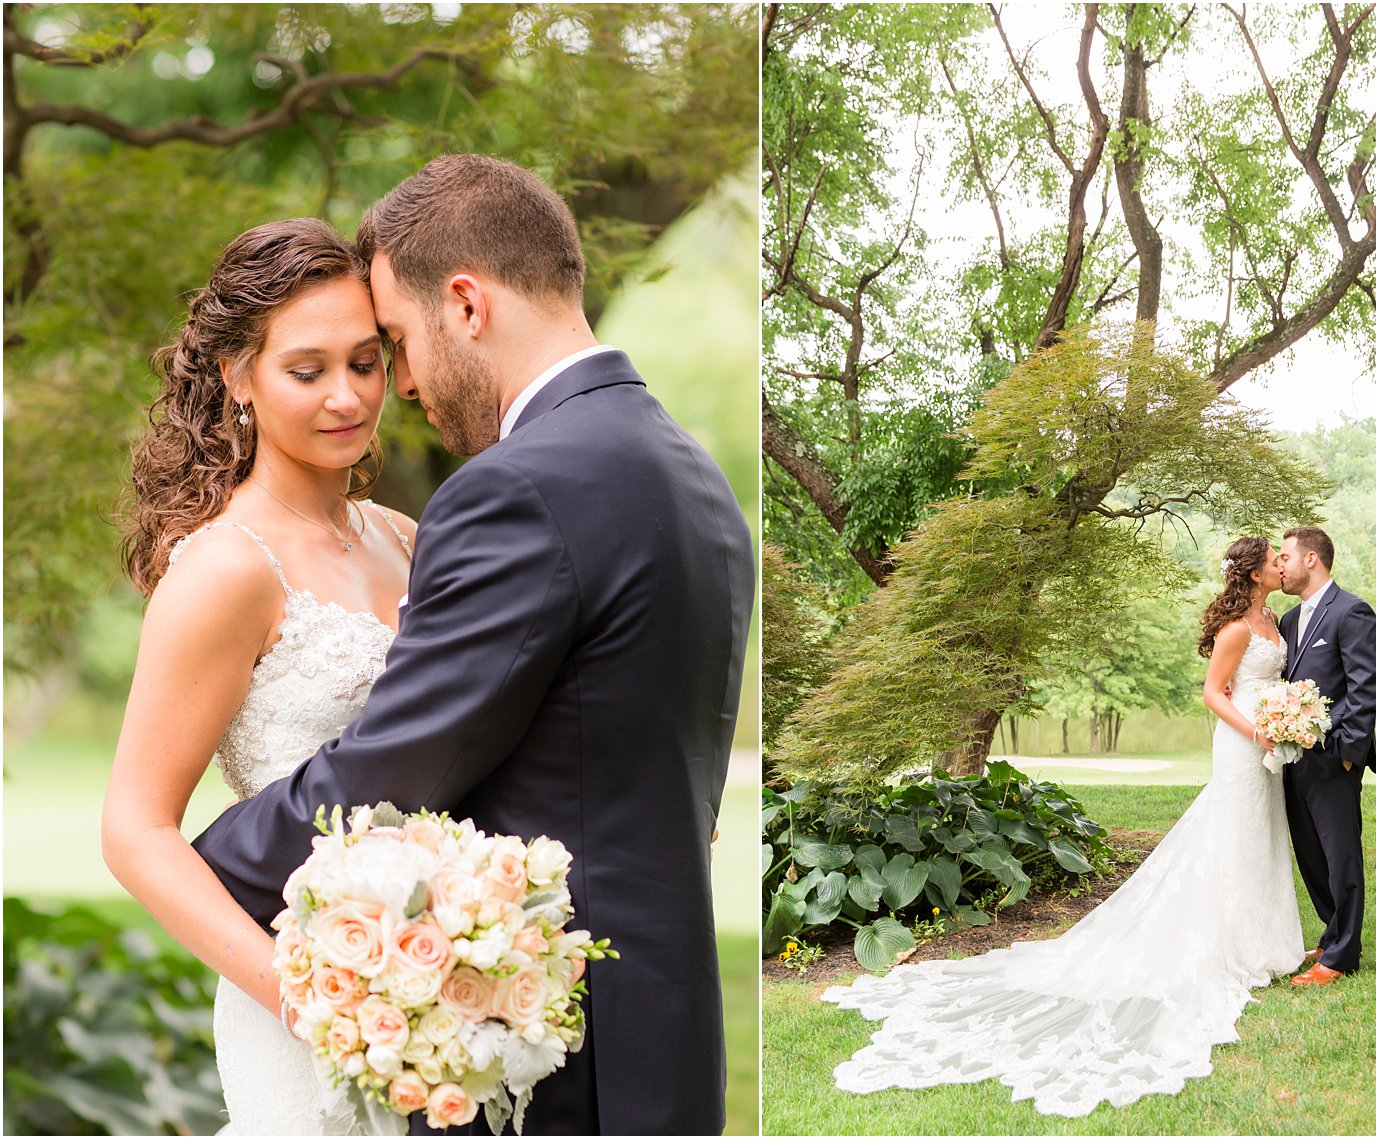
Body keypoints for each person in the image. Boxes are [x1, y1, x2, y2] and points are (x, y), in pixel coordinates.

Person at [189, 154, 754, 1136]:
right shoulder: (691, 476)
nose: (397, 385)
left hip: (543, 1059)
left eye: (393, 345)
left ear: (464, 302)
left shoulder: (517, 488)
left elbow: (392, 767)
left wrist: (195, 861)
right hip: (660, 1033)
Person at [103, 217, 418, 1133]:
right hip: (299, 992)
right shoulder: (226, 568)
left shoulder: (407, 538)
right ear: (238, 377)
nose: (348, 397)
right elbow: (135, 829)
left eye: (366, 362)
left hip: (430, 971)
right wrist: (304, 999)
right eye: (307, 370)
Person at [820, 536, 1306, 1117]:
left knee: (1261, 837)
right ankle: (1230, 946)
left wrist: (1286, 716)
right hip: (1242, 744)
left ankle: (1264, 940)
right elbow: (1212, 692)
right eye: (1274, 561)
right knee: (1233, 836)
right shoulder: (1235, 632)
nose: (1282, 566)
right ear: (1252, 574)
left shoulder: (1274, 620)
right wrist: (1257, 728)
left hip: (1271, 744)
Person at [1276, 525, 1376, 985]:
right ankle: (1332, 934)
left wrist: (1347, 753)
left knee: (1340, 856)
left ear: (1311, 559)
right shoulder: (1287, 620)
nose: (1280, 565)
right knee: (1310, 854)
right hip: (1291, 756)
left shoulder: (1352, 611)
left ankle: (1341, 957)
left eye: (1285, 556)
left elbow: (1364, 688)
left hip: (1333, 757)